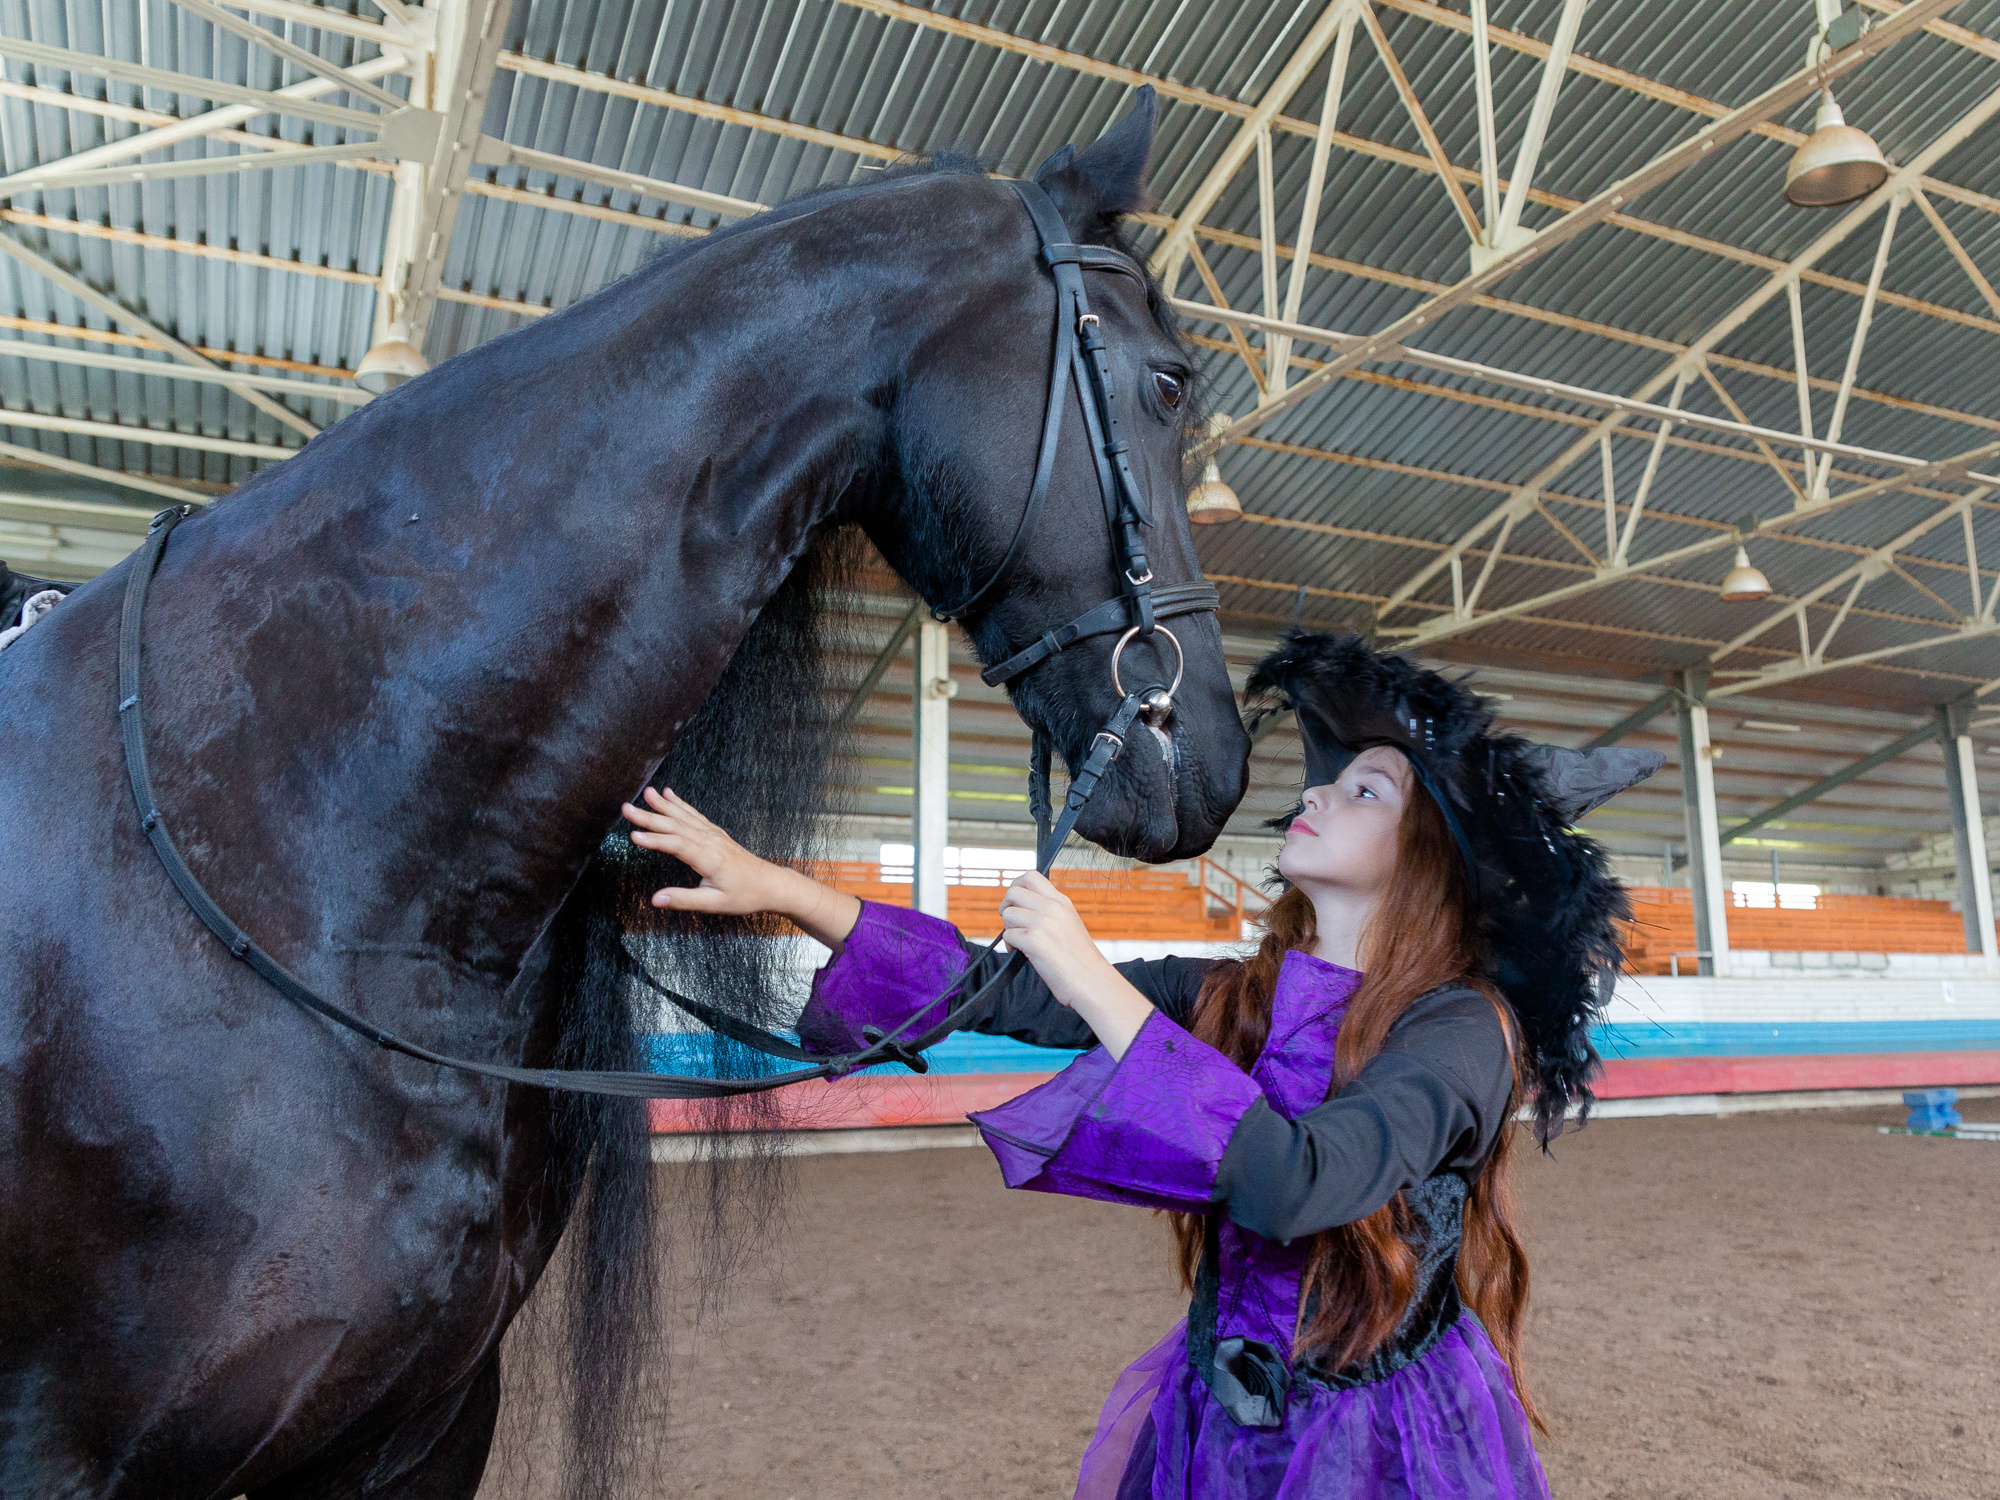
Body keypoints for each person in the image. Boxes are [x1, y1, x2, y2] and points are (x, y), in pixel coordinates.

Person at [620, 632, 1662, 1499]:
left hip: (1376, 1448)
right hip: (1211, 1420)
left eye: (1364, 789)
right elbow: (1002, 992)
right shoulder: (1235, 990)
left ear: (1431, 851)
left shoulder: (1462, 1030)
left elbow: (1294, 1184)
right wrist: (779, 888)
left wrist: (1088, 974)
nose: (1313, 793)